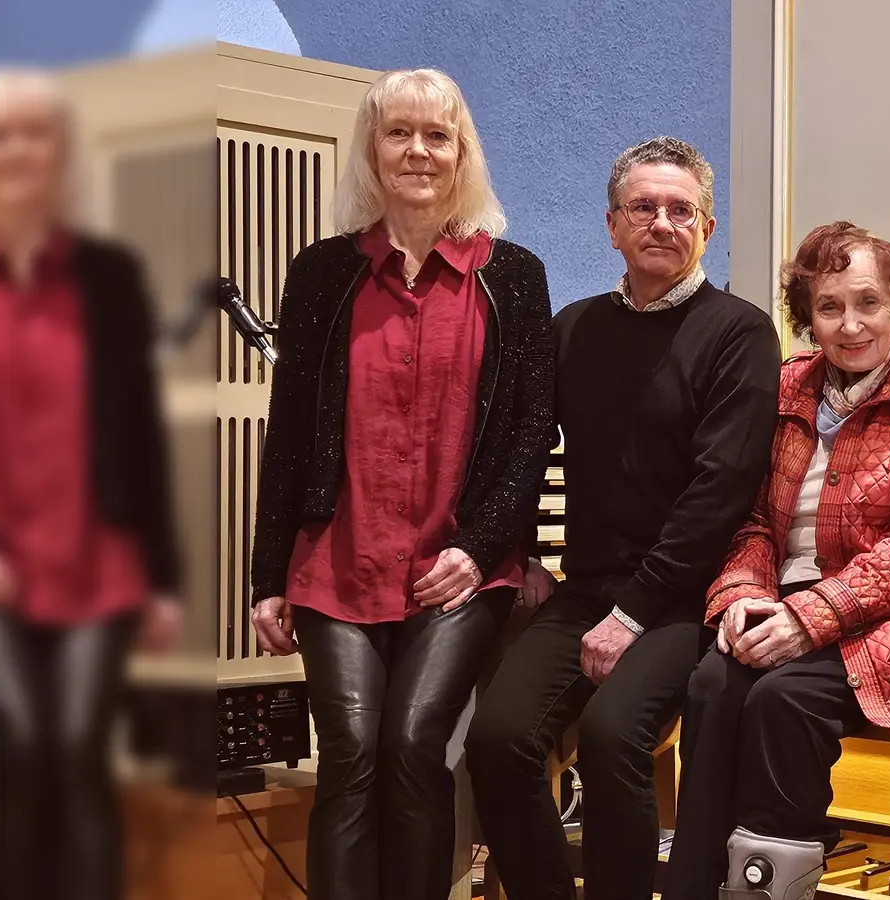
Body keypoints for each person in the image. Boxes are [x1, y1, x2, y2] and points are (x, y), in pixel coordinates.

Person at [246, 68, 555, 900]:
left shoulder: (513, 277)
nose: (418, 151)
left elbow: (532, 430)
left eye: (438, 134)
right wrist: (266, 576)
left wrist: (482, 544)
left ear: (463, 153)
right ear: (372, 149)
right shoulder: (322, 273)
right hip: (335, 561)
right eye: (398, 133)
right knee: (349, 752)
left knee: (416, 744)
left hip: (458, 563)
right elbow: (290, 434)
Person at [465, 136, 780, 900]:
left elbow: (722, 491)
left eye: (683, 210)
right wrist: (515, 553)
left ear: (707, 228)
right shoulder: (573, 328)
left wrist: (632, 615)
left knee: (612, 739)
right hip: (586, 591)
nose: (662, 223)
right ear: (611, 225)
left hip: (686, 600)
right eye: (644, 207)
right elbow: (517, 445)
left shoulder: (739, 332)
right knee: (497, 740)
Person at [662, 221, 890, 900]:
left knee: (784, 701)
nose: (850, 325)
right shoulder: (788, 384)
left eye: (868, 304)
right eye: (829, 307)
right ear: (807, 317)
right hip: (779, 604)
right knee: (710, 686)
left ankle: (764, 889)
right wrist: (740, 595)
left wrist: (813, 614)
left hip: (883, 616)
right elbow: (754, 516)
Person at [0, 68, 183, 900]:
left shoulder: (107, 275)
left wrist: (164, 579)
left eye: (38, 133)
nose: (19, 150)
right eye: (2, 134)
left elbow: (140, 432)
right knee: (12, 758)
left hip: (97, 563)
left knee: (76, 757)